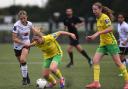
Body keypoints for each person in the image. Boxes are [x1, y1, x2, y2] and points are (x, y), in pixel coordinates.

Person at [85, 2, 128, 89]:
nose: (94, 11)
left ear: (100, 9)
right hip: (103, 43)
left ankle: (127, 82)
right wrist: (93, 36)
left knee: (118, 63)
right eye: (93, 9)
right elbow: (101, 31)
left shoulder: (104, 17)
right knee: (95, 60)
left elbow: (111, 28)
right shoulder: (97, 18)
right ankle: (96, 83)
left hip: (111, 43)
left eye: (95, 9)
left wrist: (97, 33)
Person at [12, 10, 37, 85]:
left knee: (23, 59)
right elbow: (14, 38)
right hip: (17, 46)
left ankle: (24, 80)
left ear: (27, 17)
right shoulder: (16, 25)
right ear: (19, 18)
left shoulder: (30, 24)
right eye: (21, 18)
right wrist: (22, 42)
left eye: (24, 18)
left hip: (26, 44)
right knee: (21, 62)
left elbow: (34, 32)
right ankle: (27, 77)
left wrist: (34, 37)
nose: (23, 20)